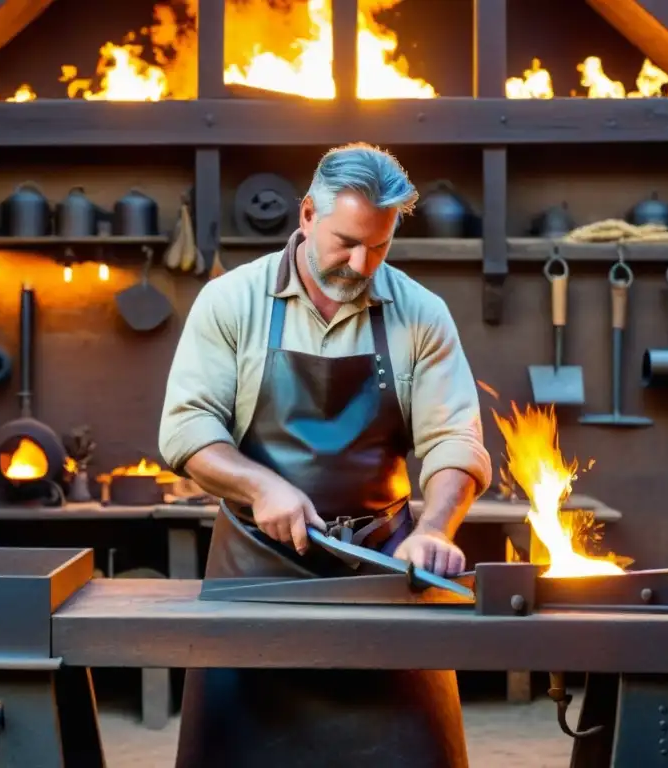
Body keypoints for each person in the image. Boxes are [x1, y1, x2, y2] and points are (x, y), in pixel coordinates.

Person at [159, 143, 491, 768]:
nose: (361, 263)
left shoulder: (421, 312)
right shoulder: (231, 301)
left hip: (384, 575)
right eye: (345, 242)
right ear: (307, 213)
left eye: (380, 246)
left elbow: (455, 440)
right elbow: (186, 429)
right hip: (255, 581)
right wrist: (261, 488)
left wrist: (435, 527)